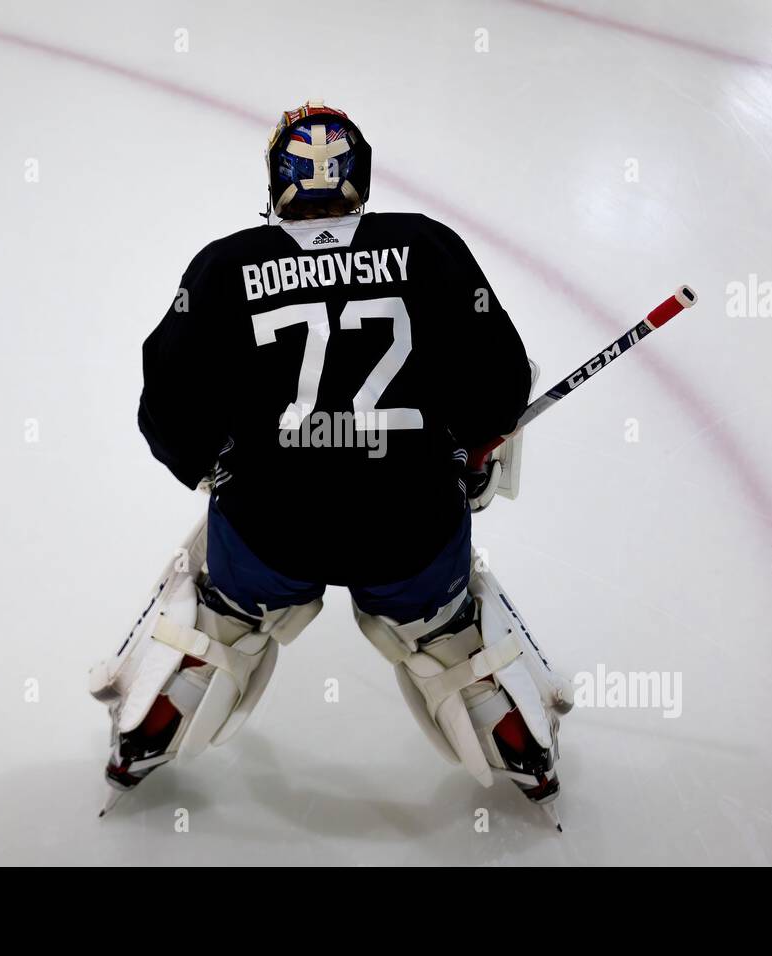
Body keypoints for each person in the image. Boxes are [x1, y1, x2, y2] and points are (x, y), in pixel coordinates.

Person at [89, 100, 573, 824]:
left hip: (271, 523)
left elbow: (167, 399)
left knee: (220, 616)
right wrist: (469, 449)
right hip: (410, 522)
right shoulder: (430, 246)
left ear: (277, 181)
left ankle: (147, 732)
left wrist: (205, 465)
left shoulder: (224, 264)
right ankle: (517, 739)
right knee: (444, 628)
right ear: (361, 176)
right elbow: (501, 381)